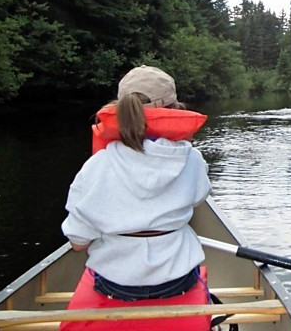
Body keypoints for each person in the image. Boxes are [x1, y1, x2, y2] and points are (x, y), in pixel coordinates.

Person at [62, 65, 212, 301]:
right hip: (177, 281)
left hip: (116, 285)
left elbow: (78, 243)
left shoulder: (98, 165)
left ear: (119, 109)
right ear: (174, 109)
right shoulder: (192, 159)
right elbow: (198, 198)